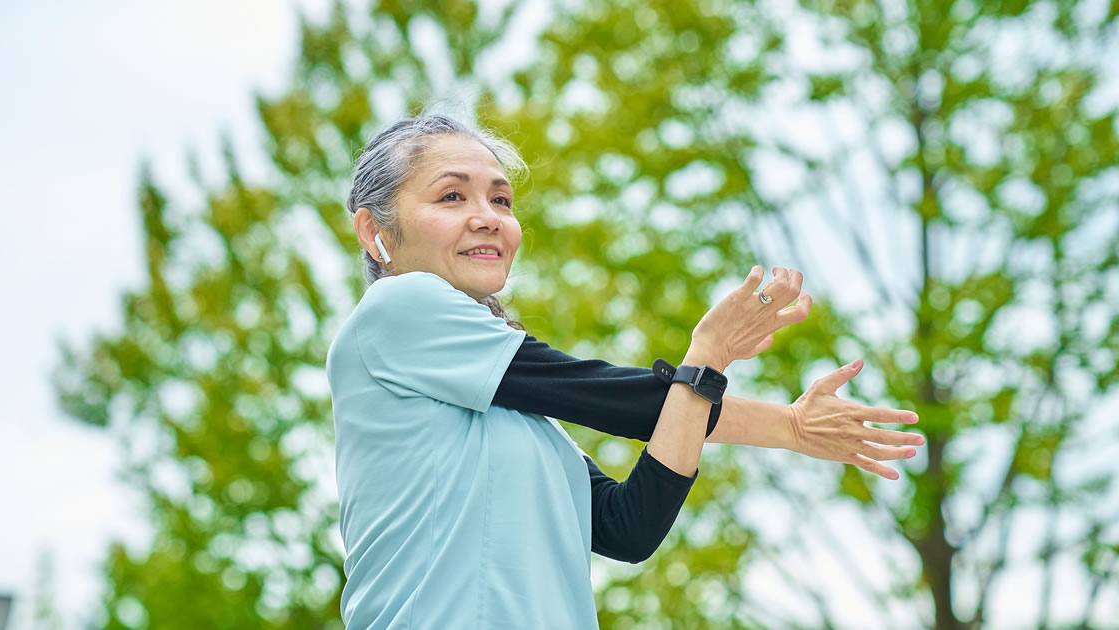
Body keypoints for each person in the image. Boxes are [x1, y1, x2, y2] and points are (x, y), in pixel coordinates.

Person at [326, 114, 924, 629]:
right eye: (452, 196)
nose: (488, 217)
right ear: (375, 231)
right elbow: (615, 399)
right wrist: (715, 366)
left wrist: (778, 419)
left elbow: (628, 527)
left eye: (501, 199)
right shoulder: (397, 309)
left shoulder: (528, 425)